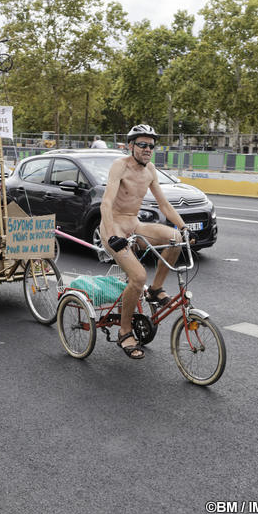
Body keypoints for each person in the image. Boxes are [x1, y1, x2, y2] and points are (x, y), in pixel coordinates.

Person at [99, 124, 188, 359]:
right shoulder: (120, 167)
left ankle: (155, 289)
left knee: (175, 239)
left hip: (134, 223)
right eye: (142, 144)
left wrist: (184, 226)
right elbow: (106, 203)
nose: (148, 149)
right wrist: (111, 235)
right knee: (138, 277)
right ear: (131, 146)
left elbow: (164, 205)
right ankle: (124, 331)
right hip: (115, 226)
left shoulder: (150, 171)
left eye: (151, 145)